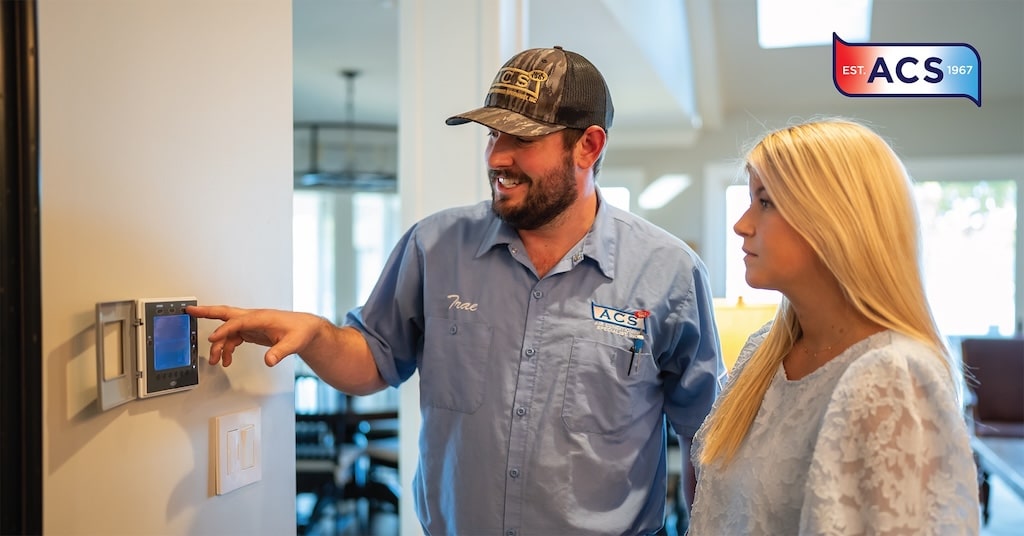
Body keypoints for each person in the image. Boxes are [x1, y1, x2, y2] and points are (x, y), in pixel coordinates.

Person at [189, 46, 724, 535]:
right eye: (492, 134)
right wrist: (315, 335)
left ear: (588, 145)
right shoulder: (434, 246)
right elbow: (374, 360)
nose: (496, 156)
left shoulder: (668, 273)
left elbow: (707, 442)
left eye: (521, 138)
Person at [687, 118, 979, 535]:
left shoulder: (893, 376)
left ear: (833, 219)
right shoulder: (761, 356)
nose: (742, 224)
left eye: (765, 202)